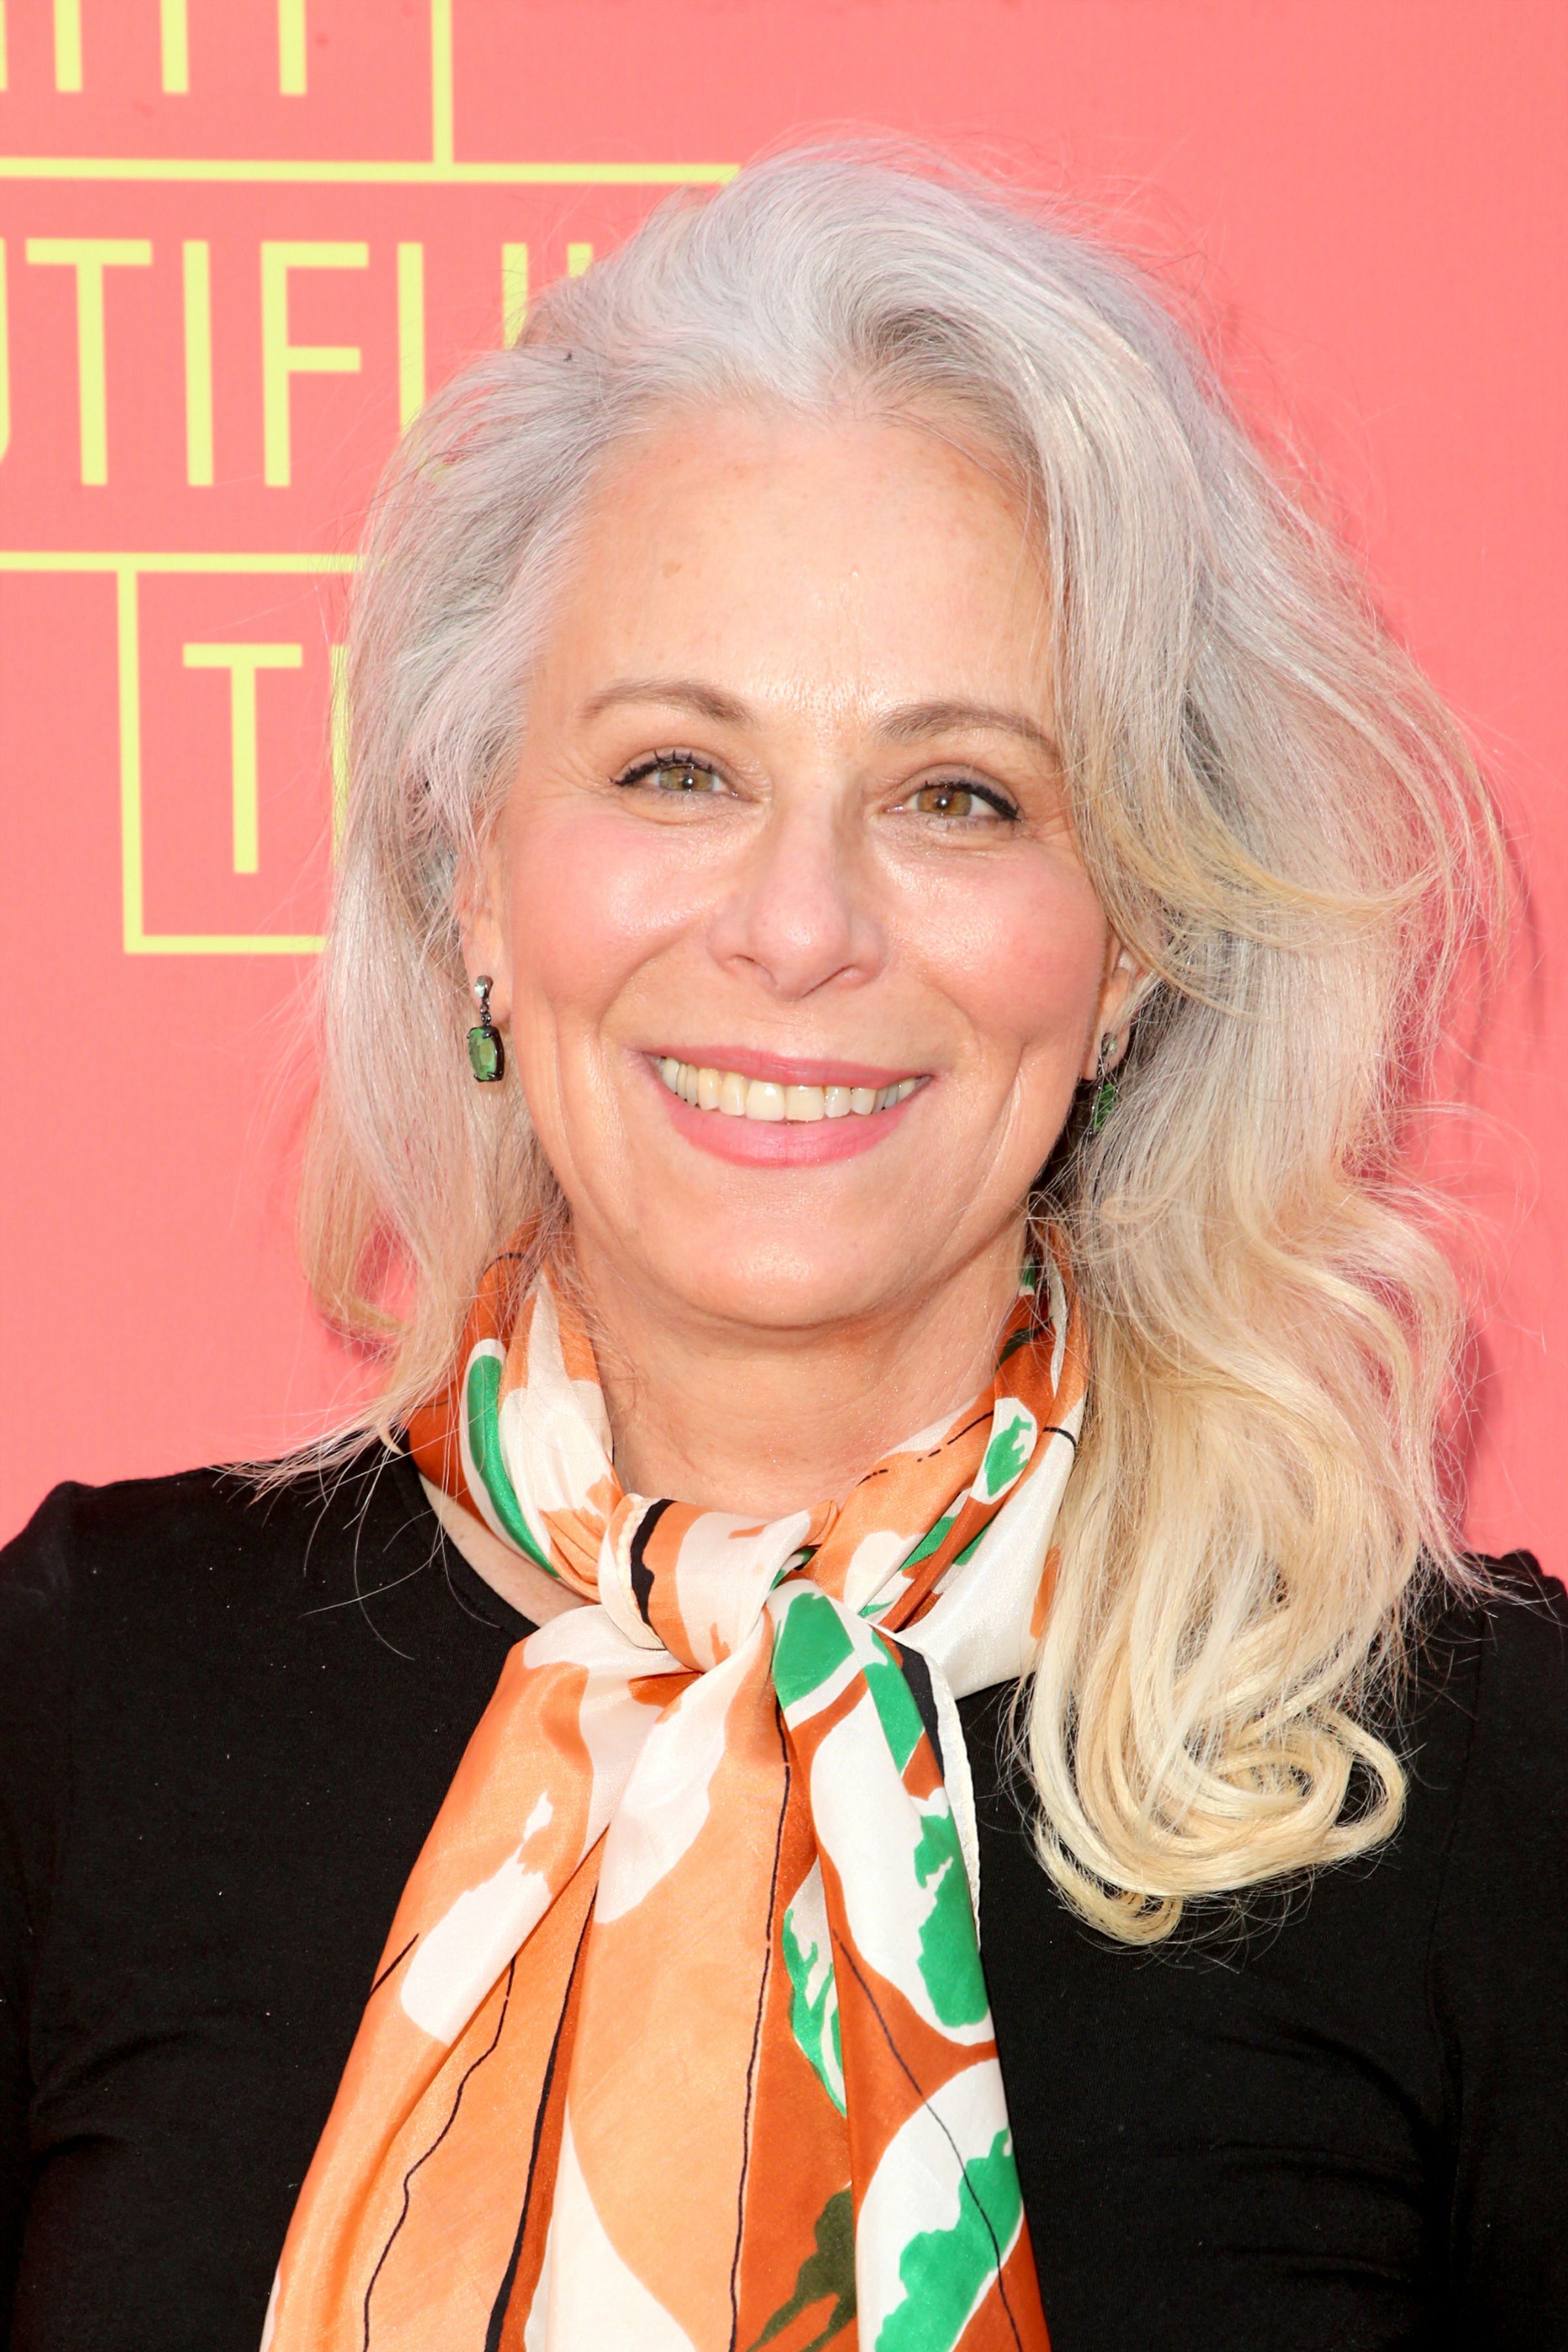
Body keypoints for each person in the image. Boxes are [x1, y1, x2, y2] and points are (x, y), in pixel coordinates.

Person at [0, 147, 1562, 2352]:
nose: (801, 927)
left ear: (1128, 951)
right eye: (671, 771)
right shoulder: (83, 1705)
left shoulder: (1481, 1784)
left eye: (961, 798)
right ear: (470, 873)